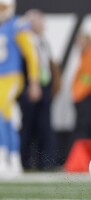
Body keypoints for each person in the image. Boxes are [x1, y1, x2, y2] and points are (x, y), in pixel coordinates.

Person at [0, 0, 42, 177]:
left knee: (2, 112)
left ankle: (6, 156)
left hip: (11, 77)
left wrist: (34, 81)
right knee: (6, 116)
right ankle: (13, 158)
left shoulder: (17, 25)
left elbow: (31, 55)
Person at [18, 9, 60, 170]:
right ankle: (24, 162)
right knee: (27, 125)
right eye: (39, 21)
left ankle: (46, 163)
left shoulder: (43, 41)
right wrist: (31, 85)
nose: (43, 24)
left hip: (44, 88)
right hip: (29, 87)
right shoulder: (25, 40)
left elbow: (47, 65)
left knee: (45, 126)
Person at [70, 33, 91, 144]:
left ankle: (83, 155)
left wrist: (77, 94)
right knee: (89, 127)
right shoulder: (87, 55)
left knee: (84, 127)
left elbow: (87, 78)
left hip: (87, 96)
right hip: (88, 95)